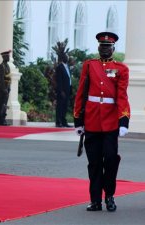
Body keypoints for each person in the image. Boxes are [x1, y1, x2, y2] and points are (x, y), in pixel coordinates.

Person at [73, 32, 130, 212]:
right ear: (98, 47)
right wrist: (78, 120)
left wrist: (124, 120)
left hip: (111, 122)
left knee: (111, 160)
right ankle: (95, 199)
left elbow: (122, 96)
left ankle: (110, 196)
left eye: (108, 46)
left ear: (113, 48)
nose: (105, 49)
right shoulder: (90, 66)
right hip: (91, 121)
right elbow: (81, 93)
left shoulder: (121, 69)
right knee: (94, 163)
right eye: (102, 46)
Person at [55, 53, 72, 127]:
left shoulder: (67, 66)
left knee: (65, 106)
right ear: (62, 58)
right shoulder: (59, 67)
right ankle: (58, 122)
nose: (67, 58)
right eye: (66, 56)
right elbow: (59, 80)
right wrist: (61, 91)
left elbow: (68, 78)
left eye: (67, 56)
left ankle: (64, 121)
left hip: (68, 89)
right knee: (60, 106)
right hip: (62, 91)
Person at [0, 50, 11, 126]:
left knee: (4, 105)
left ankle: (3, 119)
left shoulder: (7, 66)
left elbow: (9, 78)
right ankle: (0, 121)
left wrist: (8, 88)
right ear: (4, 57)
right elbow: (1, 79)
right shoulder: (1, 66)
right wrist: (4, 89)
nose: (9, 57)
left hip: (6, 87)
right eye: (7, 56)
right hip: (2, 88)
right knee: (1, 105)